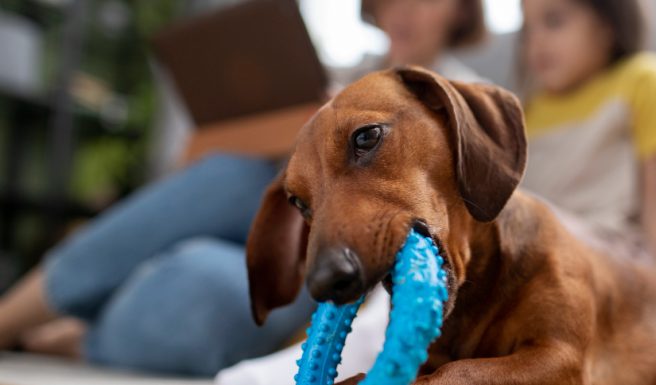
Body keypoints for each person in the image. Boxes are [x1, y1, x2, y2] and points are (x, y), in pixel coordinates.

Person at [0, 0, 485, 377]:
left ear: (460, 7)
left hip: (325, 255)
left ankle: (83, 337)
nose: (403, 9)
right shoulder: (335, 81)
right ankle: (12, 317)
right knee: (231, 172)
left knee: (208, 280)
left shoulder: (467, 104)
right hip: (260, 210)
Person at [519, 0, 656, 263]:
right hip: (538, 247)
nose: (536, 41)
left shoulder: (644, 81)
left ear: (608, 25)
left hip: (614, 253)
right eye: (527, 30)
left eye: (554, 21)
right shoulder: (528, 110)